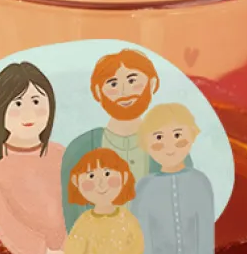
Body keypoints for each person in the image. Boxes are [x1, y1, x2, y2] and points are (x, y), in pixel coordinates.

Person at [60, 48, 191, 232]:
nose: (124, 92)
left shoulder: (172, 146)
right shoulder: (80, 148)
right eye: (112, 84)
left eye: (132, 81)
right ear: (98, 92)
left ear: (152, 84)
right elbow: (73, 217)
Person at [0, 62, 66, 254]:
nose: (29, 114)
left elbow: (77, 202)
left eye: (36, 101)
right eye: (17, 104)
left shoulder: (60, 153)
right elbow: (5, 222)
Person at [130, 103, 215, 254]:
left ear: (192, 136)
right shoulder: (144, 187)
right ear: (145, 143)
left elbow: (205, 232)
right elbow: (142, 233)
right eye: (159, 137)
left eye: (177, 135)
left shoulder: (200, 182)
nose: (169, 145)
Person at [62, 148, 144, 254]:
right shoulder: (84, 222)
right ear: (76, 182)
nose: (100, 184)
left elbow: (136, 249)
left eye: (107, 174)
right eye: (91, 176)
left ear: (124, 177)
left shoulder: (127, 219)